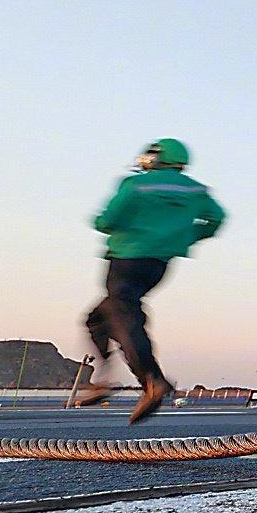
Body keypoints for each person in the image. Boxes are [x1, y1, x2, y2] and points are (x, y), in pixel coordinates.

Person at [74, 138, 225, 422]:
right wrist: (186, 236)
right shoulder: (196, 190)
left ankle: (152, 380)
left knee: (123, 315)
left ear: (158, 157)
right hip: (159, 264)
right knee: (100, 318)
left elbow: (107, 221)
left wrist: (104, 224)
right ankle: (105, 378)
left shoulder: (137, 185)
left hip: (126, 258)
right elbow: (217, 219)